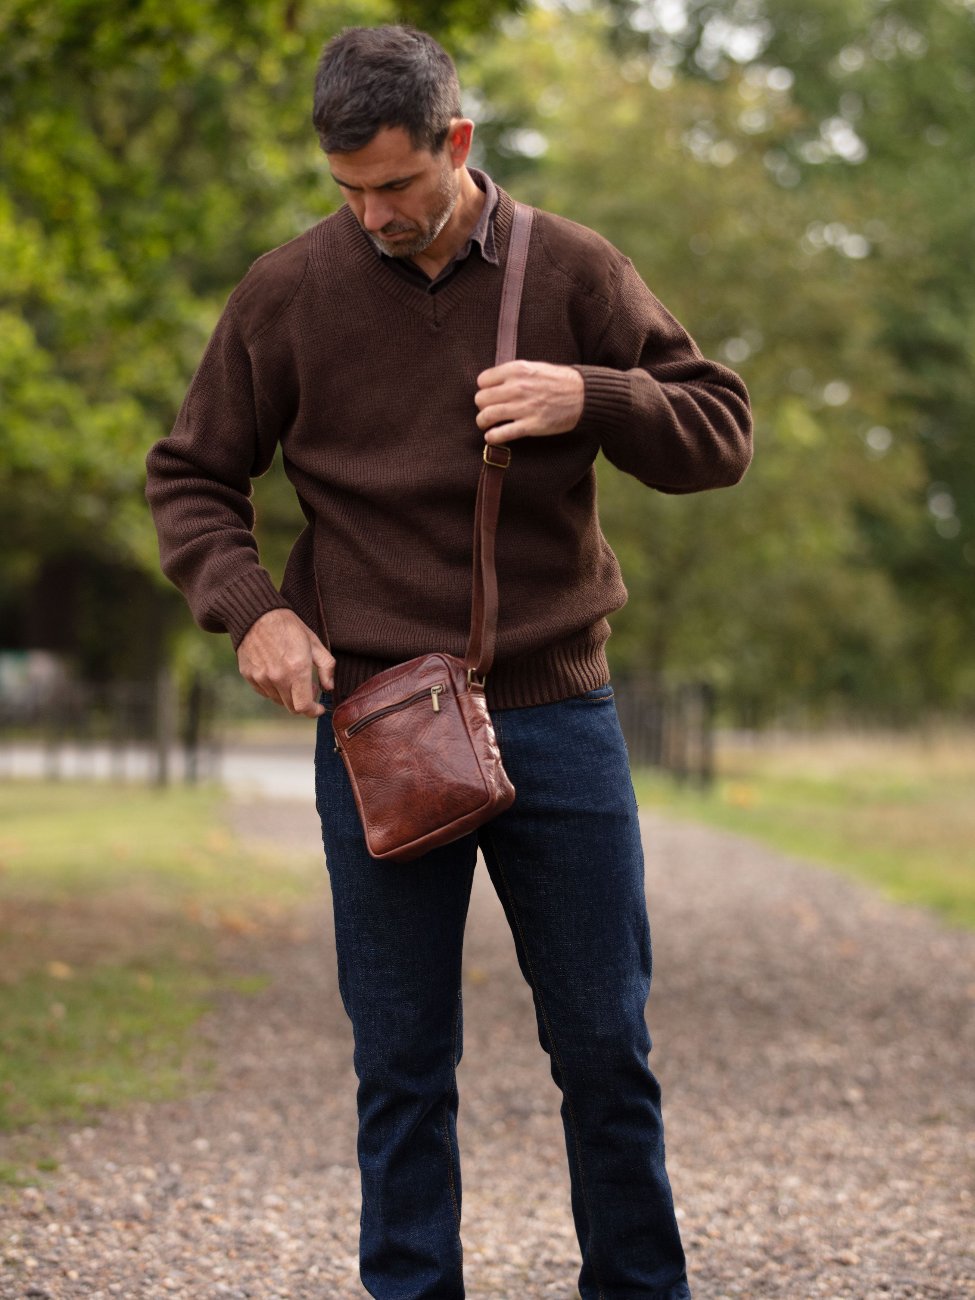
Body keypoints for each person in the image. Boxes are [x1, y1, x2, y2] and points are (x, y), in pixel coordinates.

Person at [145, 24, 751, 1300]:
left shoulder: (575, 267)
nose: (371, 215)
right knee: (402, 1062)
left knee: (605, 1048)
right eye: (346, 187)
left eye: (397, 186)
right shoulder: (285, 291)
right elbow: (193, 476)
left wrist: (595, 396)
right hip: (375, 723)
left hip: (558, 714)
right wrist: (252, 607)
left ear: (457, 144)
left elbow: (720, 432)